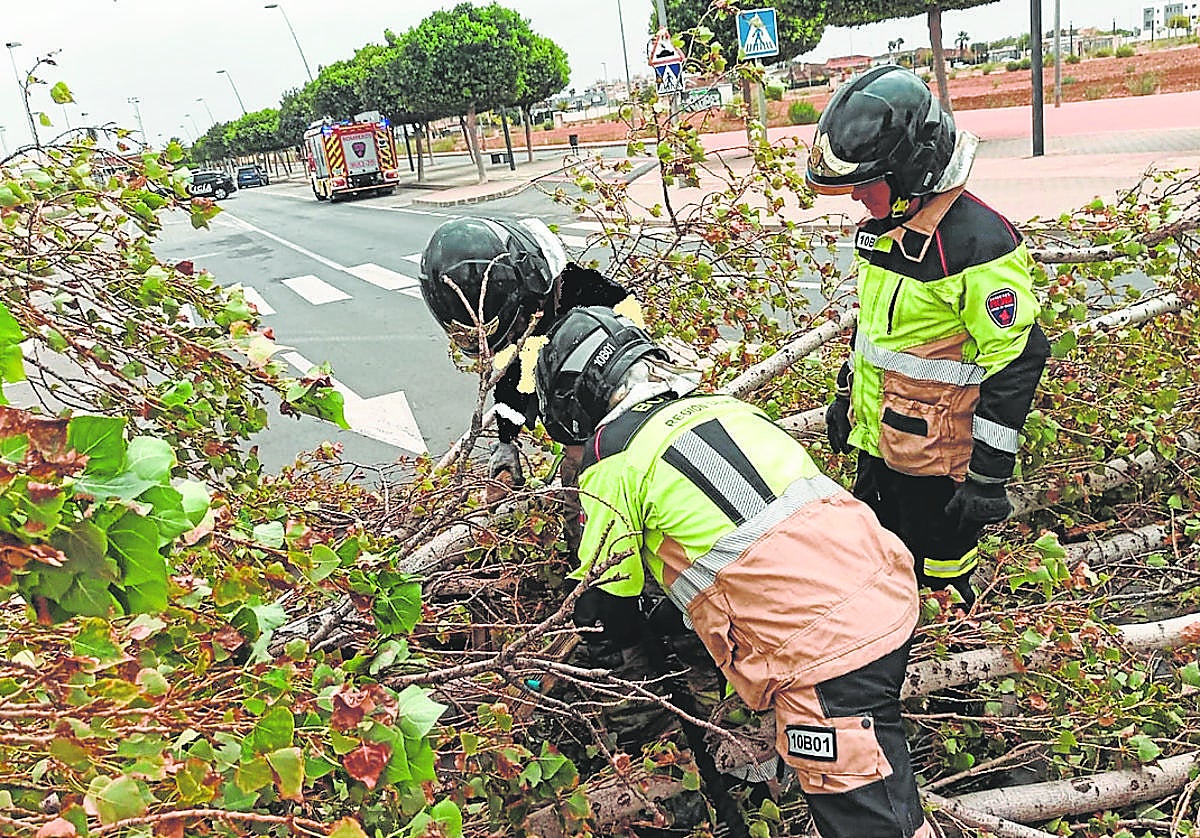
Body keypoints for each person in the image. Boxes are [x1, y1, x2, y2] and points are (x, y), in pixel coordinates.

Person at [535, 305, 934, 838]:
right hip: (887, 590)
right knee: (883, 789)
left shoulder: (614, 464)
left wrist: (643, 696)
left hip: (819, 650)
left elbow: (603, 603)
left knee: (865, 820)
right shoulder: (727, 410)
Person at [805, 65, 1050, 607]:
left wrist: (987, 477)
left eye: (863, 183)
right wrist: (847, 398)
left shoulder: (978, 245)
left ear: (909, 169)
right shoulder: (887, 227)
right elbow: (875, 336)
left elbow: (1016, 361)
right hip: (883, 445)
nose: (854, 198)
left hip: (941, 466)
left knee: (940, 588)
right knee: (879, 570)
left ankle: (949, 684)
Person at [419, 216, 632, 486]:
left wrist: (583, 459)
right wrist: (507, 440)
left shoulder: (598, 312)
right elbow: (515, 378)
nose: (512, 340)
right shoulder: (527, 315)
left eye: (513, 330)